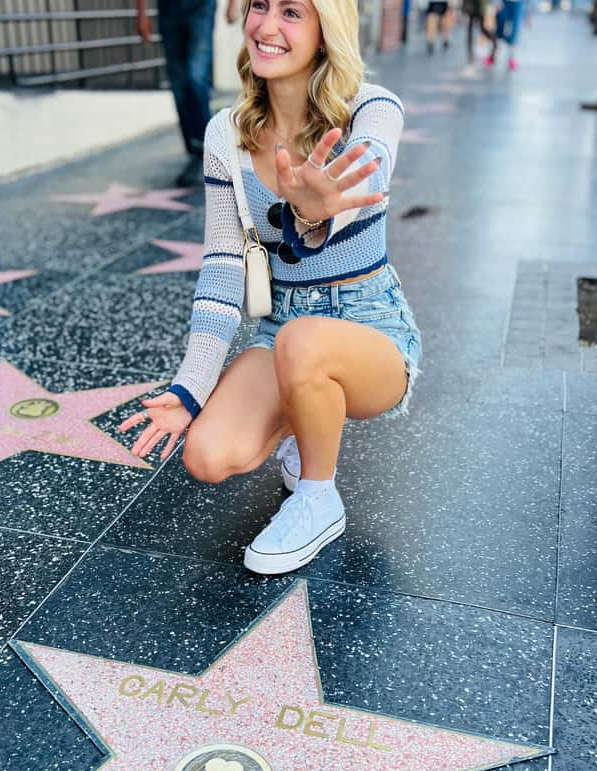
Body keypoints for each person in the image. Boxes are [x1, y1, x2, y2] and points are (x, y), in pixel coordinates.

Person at [120, 0, 422, 575]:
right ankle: (307, 419)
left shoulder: (371, 107)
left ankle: (318, 498)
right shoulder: (225, 135)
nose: (266, 26)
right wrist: (190, 386)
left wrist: (316, 208)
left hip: (371, 326)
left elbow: (372, 171)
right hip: (280, 328)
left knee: (304, 342)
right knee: (207, 456)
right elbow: (221, 267)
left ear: (325, 29)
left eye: (292, 12)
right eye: (259, 5)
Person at [137, 0, 238, 186]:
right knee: (179, 84)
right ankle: (196, 149)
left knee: (196, 76)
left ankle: (210, 148)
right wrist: (142, 14)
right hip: (169, 9)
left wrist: (232, 4)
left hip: (201, 6)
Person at [486, 0, 523, 69]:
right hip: (503, 2)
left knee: (513, 31)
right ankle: (492, 55)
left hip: (517, 3)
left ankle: (511, 58)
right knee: (498, 29)